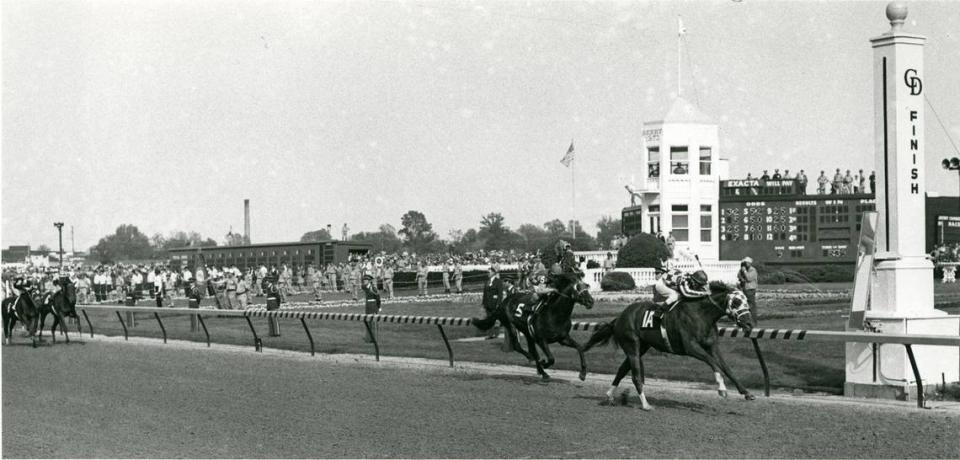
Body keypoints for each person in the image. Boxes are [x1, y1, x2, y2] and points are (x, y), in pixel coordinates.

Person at [738, 257, 759, 322]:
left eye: (746, 263)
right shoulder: (743, 270)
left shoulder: (753, 270)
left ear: (749, 263)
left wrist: (744, 271)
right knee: (744, 305)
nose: (745, 264)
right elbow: (738, 276)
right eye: (744, 263)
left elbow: (749, 278)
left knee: (751, 305)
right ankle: (745, 320)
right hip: (744, 289)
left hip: (750, 289)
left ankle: (753, 320)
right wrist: (741, 276)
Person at [361, 273, 381, 343]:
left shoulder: (373, 288)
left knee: (373, 323)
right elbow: (362, 286)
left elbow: (378, 298)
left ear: (369, 281)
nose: (364, 281)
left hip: (373, 306)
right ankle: (368, 338)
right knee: (368, 322)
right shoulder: (366, 287)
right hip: (368, 306)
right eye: (364, 280)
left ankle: (374, 338)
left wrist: (378, 307)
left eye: (366, 280)